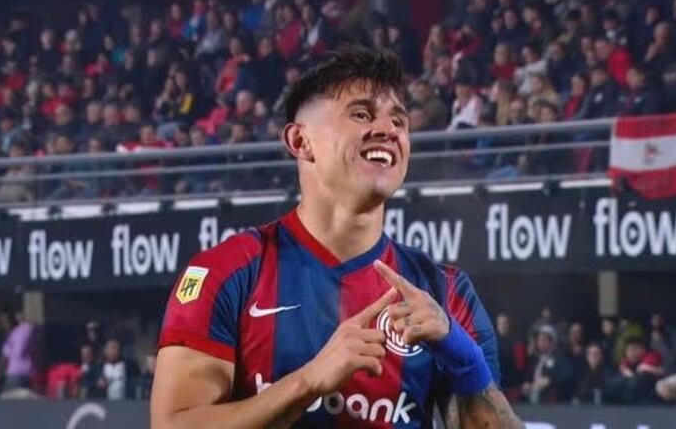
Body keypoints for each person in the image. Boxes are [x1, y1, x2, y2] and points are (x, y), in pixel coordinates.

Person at [151, 45, 521, 428]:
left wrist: (467, 363)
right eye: (362, 114)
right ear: (301, 142)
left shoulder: (445, 293)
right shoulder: (227, 273)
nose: (388, 131)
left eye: (399, 121)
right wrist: (309, 381)